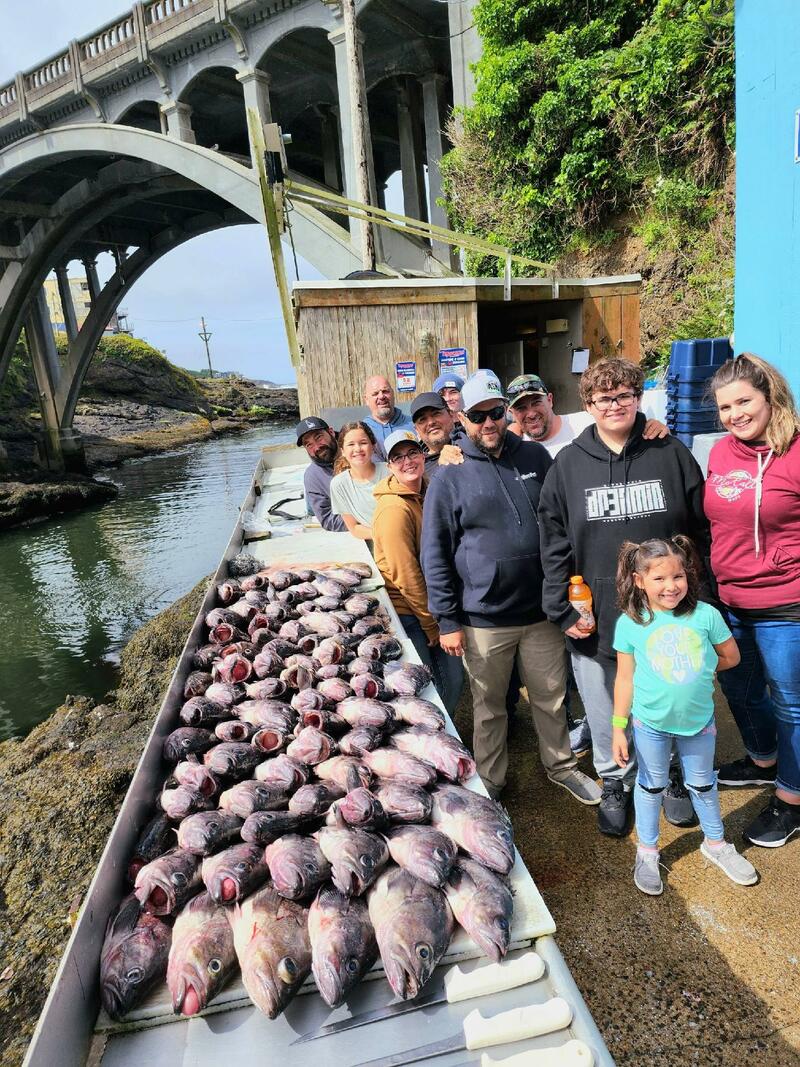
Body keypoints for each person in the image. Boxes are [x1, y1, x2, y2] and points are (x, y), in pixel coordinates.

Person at [538, 358, 710, 836]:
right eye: (603, 398)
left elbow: (700, 528)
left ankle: (671, 779)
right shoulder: (568, 465)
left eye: (624, 396)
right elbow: (552, 542)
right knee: (602, 705)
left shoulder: (669, 452)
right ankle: (615, 781)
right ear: (587, 405)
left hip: (667, 616)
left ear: (638, 398)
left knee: (670, 701)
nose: (615, 405)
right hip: (598, 619)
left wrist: (702, 597)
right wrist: (559, 607)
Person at [421, 371, 601, 804]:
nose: (489, 423)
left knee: (552, 699)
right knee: (489, 708)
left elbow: (563, 524)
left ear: (507, 413)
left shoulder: (537, 459)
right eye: (478, 415)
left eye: (497, 413)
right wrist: (447, 619)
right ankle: (491, 783)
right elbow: (435, 553)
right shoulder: (448, 474)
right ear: (462, 418)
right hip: (483, 618)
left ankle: (561, 766)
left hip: (541, 612)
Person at [612, 536, 757, 895]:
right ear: (638, 579)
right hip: (650, 725)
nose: (670, 586)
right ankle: (647, 851)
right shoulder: (630, 623)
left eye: (677, 577)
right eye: (659, 579)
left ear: (688, 576)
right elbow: (625, 679)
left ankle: (716, 843)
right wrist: (618, 728)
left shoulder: (706, 615)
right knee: (651, 784)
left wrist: (704, 668)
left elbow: (731, 657)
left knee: (704, 783)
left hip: (699, 723)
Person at [704, 353, 800, 848]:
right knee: (739, 689)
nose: (736, 414)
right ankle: (764, 760)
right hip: (731, 599)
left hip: (787, 604)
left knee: (791, 704)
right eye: (725, 407)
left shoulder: (797, 452)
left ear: (770, 397)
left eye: (744, 401)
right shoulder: (720, 454)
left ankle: (792, 799)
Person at [372, 428, 464, 714]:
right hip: (414, 614)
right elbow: (406, 574)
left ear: (423, 454)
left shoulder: (428, 490)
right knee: (442, 685)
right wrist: (432, 624)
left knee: (451, 682)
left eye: (412, 452)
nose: (407, 461)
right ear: (389, 466)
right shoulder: (394, 509)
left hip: (433, 606)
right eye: (398, 458)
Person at [329, 422, 388, 540]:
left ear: (373, 446)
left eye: (363, 443)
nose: (357, 449)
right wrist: (382, 535)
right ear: (343, 451)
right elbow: (354, 528)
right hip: (376, 539)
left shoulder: (390, 471)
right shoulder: (339, 484)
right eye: (351, 444)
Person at [295, 416, 346, 533]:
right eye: (309, 445)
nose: (317, 447)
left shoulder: (356, 449)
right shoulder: (312, 476)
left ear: (331, 432)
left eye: (319, 437)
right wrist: (359, 520)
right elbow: (327, 518)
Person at [362, 375, 415, 459]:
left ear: (393, 394)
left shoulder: (414, 424)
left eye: (385, 391)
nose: (381, 396)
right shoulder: (362, 432)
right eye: (375, 393)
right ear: (366, 400)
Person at [410, 392, 463, 468]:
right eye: (422, 419)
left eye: (436, 414)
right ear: (416, 429)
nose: (431, 422)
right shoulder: (417, 468)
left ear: (450, 414)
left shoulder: (470, 443)